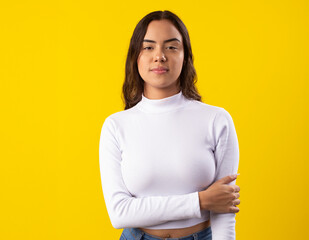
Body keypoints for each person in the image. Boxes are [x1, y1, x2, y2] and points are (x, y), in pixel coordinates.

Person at [99, 10, 241, 240]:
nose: (159, 56)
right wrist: (201, 201)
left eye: (171, 47)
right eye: (148, 47)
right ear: (136, 57)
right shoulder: (116, 126)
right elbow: (119, 213)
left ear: (186, 57)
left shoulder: (216, 120)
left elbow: (224, 212)